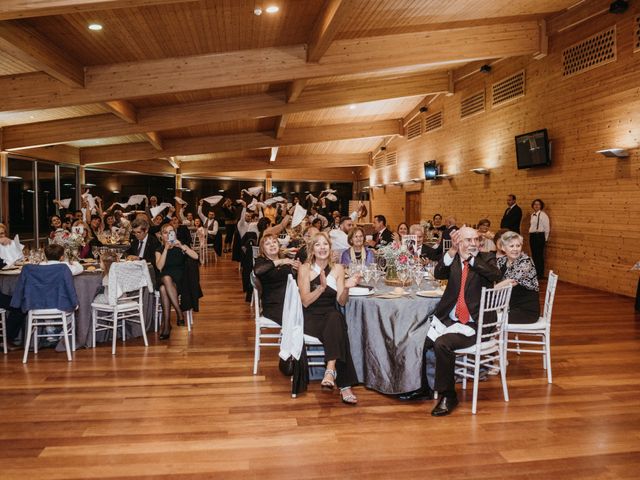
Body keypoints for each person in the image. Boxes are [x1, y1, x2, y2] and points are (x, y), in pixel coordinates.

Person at [422, 227, 501, 416]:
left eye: (476, 240)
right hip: (450, 320)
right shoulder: (455, 259)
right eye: (468, 240)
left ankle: (448, 395)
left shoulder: (486, 259)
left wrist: (471, 260)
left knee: (442, 344)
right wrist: (452, 251)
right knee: (420, 341)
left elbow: (495, 275)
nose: (473, 244)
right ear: (460, 242)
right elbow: (439, 273)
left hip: (476, 324)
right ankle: (423, 387)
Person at [297, 232, 361, 405]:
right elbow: (305, 302)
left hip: (330, 316)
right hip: (311, 318)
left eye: (325, 244)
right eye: (318, 244)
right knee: (338, 324)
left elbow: (341, 301)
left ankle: (330, 371)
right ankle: (344, 385)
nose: (322, 247)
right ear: (312, 249)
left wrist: (346, 288)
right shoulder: (304, 269)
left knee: (335, 317)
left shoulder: (338, 269)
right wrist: (321, 288)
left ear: (330, 248)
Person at [155, 223, 199, 339]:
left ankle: (166, 327)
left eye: (171, 232)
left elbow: (196, 256)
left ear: (174, 234)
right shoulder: (159, 250)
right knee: (165, 279)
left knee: (163, 289)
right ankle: (179, 312)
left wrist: (181, 246)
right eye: (165, 233)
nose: (168, 235)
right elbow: (159, 267)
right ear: (161, 236)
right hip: (165, 278)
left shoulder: (181, 246)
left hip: (180, 280)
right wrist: (165, 249)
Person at [253, 234, 301, 324]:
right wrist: (281, 261)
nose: (272, 245)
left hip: (291, 302)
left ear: (279, 245)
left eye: (274, 242)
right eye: (267, 244)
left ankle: (288, 337)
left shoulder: (287, 261)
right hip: (274, 306)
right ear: (263, 249)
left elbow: (293, 280)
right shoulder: (262, 261)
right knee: (299, 319)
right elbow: (257, 271)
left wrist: (297, 270)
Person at [495, 231, 540, 324]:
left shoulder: (525, 262)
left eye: (518, 245)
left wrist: (491, 289)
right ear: (503, 248)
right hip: (509, 306)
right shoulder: (502, 261)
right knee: (485, 314)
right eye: (511, 246)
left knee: (490, 318)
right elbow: (492, 275)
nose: (515, 249)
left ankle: (490, 338)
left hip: (526, 311)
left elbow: (511, 281)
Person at [529, 198, 550, 278]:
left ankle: (540, 274)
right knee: (534, 255)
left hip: (539, 236)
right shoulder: (532, 215)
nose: (536, 206)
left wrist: (545, 239)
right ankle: (535, 272)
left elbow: (547, 228)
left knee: (539, 255)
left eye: (538, 204)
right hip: (533, 236)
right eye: (535, 204)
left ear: (541, 206)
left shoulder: (543, 215)